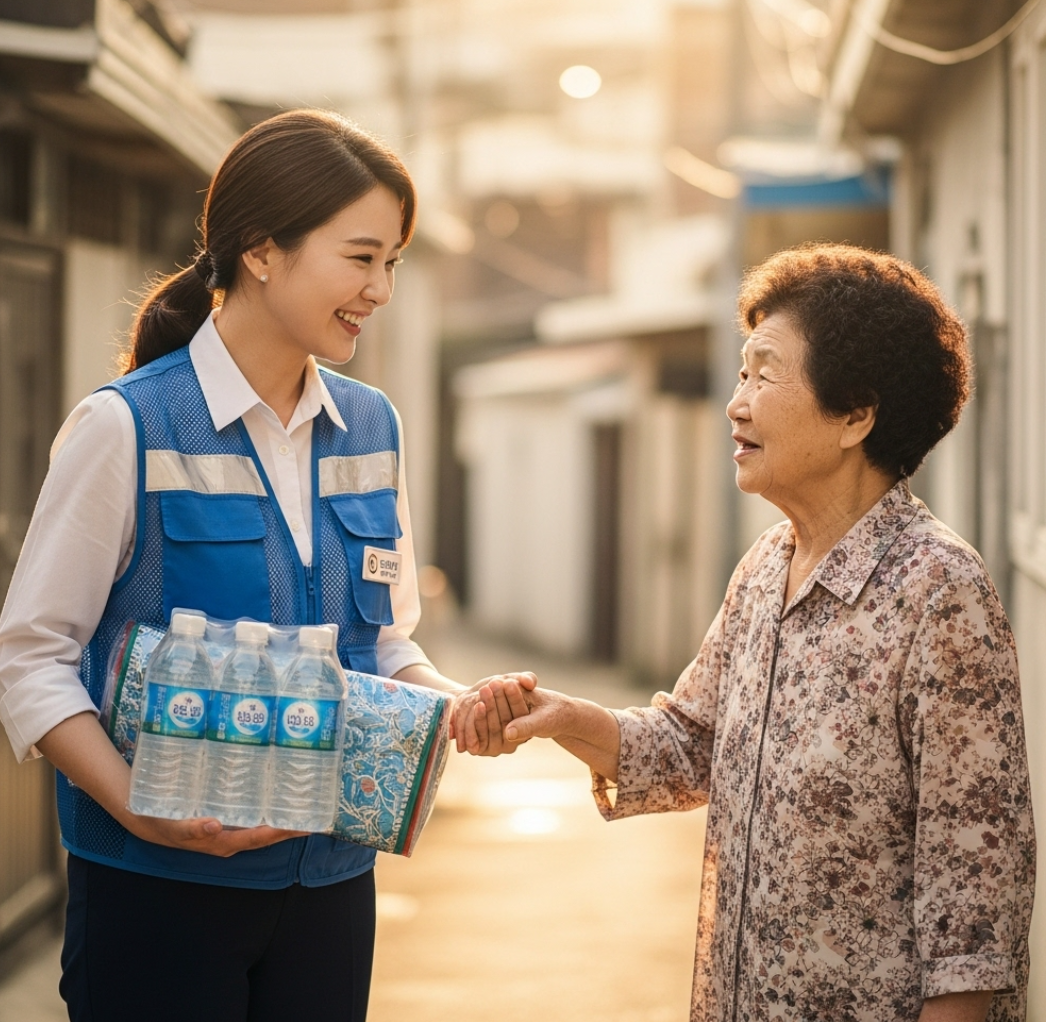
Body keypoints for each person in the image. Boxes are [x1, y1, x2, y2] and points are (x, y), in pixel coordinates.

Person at [0, 109, 531, 1022]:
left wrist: (457, 703)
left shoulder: (372, 426)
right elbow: (31, 657)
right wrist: (136, 807)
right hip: (155, 892)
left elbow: (382, 645)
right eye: (361, 258)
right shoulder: (126, 425)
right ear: (260, 251)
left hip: (330, 888)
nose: (381, 289)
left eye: (393, 262)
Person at [479, 245, 1036, 1022]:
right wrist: (567, 719)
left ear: (855, 414)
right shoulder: (768, 566)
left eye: (764, 375)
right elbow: (690, 746)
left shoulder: (938, 591)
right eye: (741, 374)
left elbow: (974, 912)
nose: (736, 404)